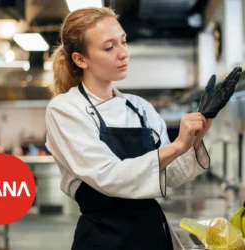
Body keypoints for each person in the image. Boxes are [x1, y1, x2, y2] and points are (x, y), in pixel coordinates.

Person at [45, 7, 212, 250]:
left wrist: (195, 139)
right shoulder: (65, 109)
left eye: (124, 42)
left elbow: (171, 175)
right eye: (109, 47)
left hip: (152, 235)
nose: (123, 53)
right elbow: (108, 176)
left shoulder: (140, 108)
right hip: (103, 239)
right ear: (81, 59)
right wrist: (177, 146)